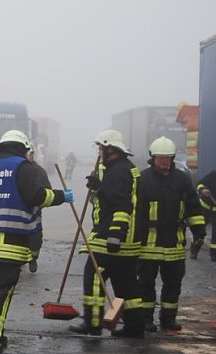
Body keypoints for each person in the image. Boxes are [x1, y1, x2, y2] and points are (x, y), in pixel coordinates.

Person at [0, 130, 74, 354]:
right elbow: (36, 196)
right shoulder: (22, 167)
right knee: (1, 291)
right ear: (23, 148)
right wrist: (60, 196)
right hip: (12, 243)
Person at [69, 129, 148, 338]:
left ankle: (93, 323)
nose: (99, 152)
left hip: (110, 239)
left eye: (100, 148)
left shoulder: (118, 172)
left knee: (94, 275)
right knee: (126, 284)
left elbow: (122, 205)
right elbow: (112, 197)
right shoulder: (124, 168)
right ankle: (135, 326)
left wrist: (115, 235)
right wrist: (98, 187)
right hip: (129, 240)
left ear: (110, 149)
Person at [136, 137, 206, 332]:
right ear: (153, 157)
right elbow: (135, 212)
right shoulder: (142, 179)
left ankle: (168, 319)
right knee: (145, 285)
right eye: (161, 158)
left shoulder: (182, 179)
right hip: (148, 245)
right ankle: (146, 319)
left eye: (168, 158)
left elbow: (193, 207)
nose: (165, 162)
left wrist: (199, 231)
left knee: (173, 284)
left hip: (174, 245)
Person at [26, 148, 52, 273]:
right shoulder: (17, 169)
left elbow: (48, 190)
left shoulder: (39, 171)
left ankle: (33, 258)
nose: (29, 156)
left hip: (34, 211)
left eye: (31, 154)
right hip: (18, 212)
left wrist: (41, 200)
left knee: (35, 237)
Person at [194, 170, 216, 261]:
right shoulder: (214, 174)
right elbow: (200, 183)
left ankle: (214, 255)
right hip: (205, 207)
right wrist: (203, 190)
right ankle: (194, 250)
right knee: (200, 230)